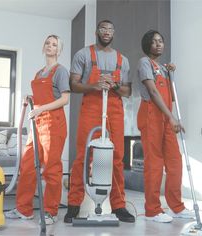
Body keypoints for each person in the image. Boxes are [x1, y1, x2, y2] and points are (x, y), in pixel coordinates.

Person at [64, 19, 135, 223]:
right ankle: (74, 205)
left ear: (114, 33)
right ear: (97, 32)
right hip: (91, 107)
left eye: (110, 29)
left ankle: (119, 206)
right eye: (103, 28)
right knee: (83, 156)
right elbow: (74, 85)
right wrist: (94, 85)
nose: (107, 32)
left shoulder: (123, 59)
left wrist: (113, 86)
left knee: (117, 157)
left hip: (114, 109)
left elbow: (128, 91)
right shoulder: (83, 54)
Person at [6, 35, 70, 225]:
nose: (50, 46)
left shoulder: (61, 71)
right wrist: (30, 97)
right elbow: (43, 96)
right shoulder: (39, 72)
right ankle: (23, 209)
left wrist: (41, 108)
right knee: (27, 166)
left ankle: (51, 211)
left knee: (51, 169)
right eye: (48, 43)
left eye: (54, 44)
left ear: (59, 50)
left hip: (53, 123)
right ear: (44, 47)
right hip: (37, 123)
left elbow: (65, 98)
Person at [137, 30, 195, 223]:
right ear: (147, 45)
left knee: (175, 161)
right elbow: (153, 91)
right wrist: (171, 117)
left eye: (161, 41)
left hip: (165, 117)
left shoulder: (163, 68)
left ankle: (176, 207)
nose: (159, 44)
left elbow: (169, 94)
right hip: (150, 115)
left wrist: (169, 73)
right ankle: (152, 210)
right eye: (154, 41)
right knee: (154, 163)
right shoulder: (144, 63)